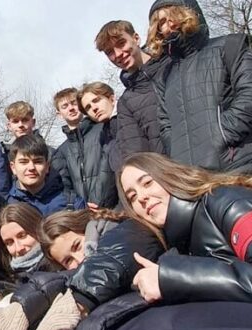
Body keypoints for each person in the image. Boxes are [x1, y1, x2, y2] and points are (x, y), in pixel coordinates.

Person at [96, 152, 252, 330]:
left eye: (147, 183)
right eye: (133, 197)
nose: (143, 198)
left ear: (169, 175)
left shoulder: (225, 199)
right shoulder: (181, 241)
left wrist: (169, 278)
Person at [148, 0, 252, 173]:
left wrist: (222, 133)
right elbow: (165, 124)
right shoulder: (164, 76)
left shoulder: (230, 45)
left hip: (237, 166)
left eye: (172, 16)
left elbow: (248, 94)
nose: (168, 26)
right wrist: (177, 153)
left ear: (189, 13)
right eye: (161, 23)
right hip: (192, 179)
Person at [96, 20, 167, 161]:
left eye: (121, 43)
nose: (118, 54)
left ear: (136, 38)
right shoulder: (127, 102)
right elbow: (136, 154)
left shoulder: (173, 66)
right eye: (110, 52)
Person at [53, 82, 119, 209]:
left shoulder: (103, 129)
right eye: (65, 106)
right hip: (84, 213)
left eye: (73, 103)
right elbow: (65, 186)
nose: (71, 108)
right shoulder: (61, 151)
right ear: (59, 114)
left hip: (113, 206)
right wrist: (80, 206)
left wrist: (99, 201)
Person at [6, 134, 82, 215]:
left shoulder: (72, 204)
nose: (31, 168)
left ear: (47, 167)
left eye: (37, 161)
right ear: (13, 167)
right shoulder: (5, 206)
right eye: (24, 162)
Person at [0, 203, 51, 276]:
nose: (19, 248)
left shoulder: (61, 265)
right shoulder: (11, 280)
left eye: (22, 236)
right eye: (9, 242)